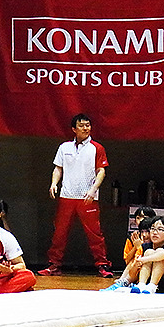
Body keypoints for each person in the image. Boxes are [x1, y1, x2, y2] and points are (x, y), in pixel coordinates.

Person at [38, 113, 113, 278]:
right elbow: (58, 168)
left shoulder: (97, 148)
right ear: (74, 129)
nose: (86, 128)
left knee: (95, 233)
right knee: (60, 232)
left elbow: (101, 171)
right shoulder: (64, 147)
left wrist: (93, 189)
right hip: (67, 196)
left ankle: (102, 265)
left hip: (88, 198)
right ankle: (54, 265)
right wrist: (53, 183)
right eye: (82, 125)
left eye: (88, 125)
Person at [100, 216, 153, 291]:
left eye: (147, 231)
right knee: (134, 261)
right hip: (133, 273)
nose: (144, 235)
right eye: (142, 232)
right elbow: (128, 261)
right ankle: (123, 282)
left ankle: (125, 282)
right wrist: (136, 247)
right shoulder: (135, 239)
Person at [133, 216, 164, 293]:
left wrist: (144, 259)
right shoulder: (144, 247)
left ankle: (153, 286)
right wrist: (136, 265)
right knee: (149, 252)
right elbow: (132, 270)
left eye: (160, 229)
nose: (155, 232)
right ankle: (141, 285)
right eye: (152, 228)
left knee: (159, 253)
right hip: (147, 282)